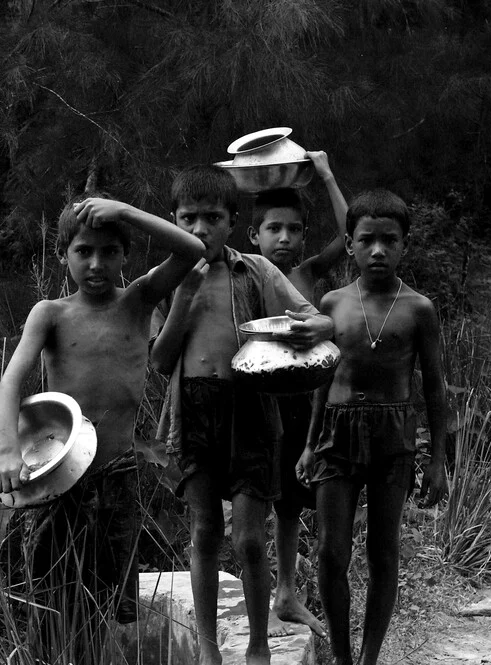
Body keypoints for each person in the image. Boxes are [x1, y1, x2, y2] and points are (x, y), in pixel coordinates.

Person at [0, 192, 205, 663]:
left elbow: (192, 250)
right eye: (83, 251)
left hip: (117, 480)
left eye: (109, 251)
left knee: (102, 606)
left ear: (125, 255)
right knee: (51, 604)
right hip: (59, 483)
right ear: (64, 255)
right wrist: (8, 450)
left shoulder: (139, 301)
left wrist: (125, 212)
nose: (96, 263)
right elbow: (10, 384)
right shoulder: (49, 314)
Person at [150, 164, 335, 665]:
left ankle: (258, 646)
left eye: (212, 218)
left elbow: (318, 318)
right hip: (193, 412)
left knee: (251, 538)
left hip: (251, 412)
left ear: (233, 222)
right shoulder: (165, 281)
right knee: (205, 531)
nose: (199, 230)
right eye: (188, 218)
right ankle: (209, 649)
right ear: (173, 220)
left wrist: (312, 328)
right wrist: (184, 295)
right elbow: (160, 361)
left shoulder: (255, 270)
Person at [296, 189, 448, 665]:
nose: (377, 250)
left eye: (389, 240)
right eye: (367, 240)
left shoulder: (418, 308)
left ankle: (368, 658)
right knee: (330, 552)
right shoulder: (333, 302)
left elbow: (436, 387)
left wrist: (437, 459)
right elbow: (322, 378)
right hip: (335, 434)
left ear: (405, 245)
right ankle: (341, 656)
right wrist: (308, 444)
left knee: (384, 552)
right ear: (349, 244)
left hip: (393, 435)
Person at [245, 151, 348, 639]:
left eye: (293, 229)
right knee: (251, 504)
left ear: (304, 236)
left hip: (302, 408)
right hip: (252, 404)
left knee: (290, 502)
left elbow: (352, 237)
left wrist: (324, 174)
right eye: (273, 229)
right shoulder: (241, 273)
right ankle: (261, 596)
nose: (284, 238)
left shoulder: (306, 274)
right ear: (253, 235)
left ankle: (285, 592)